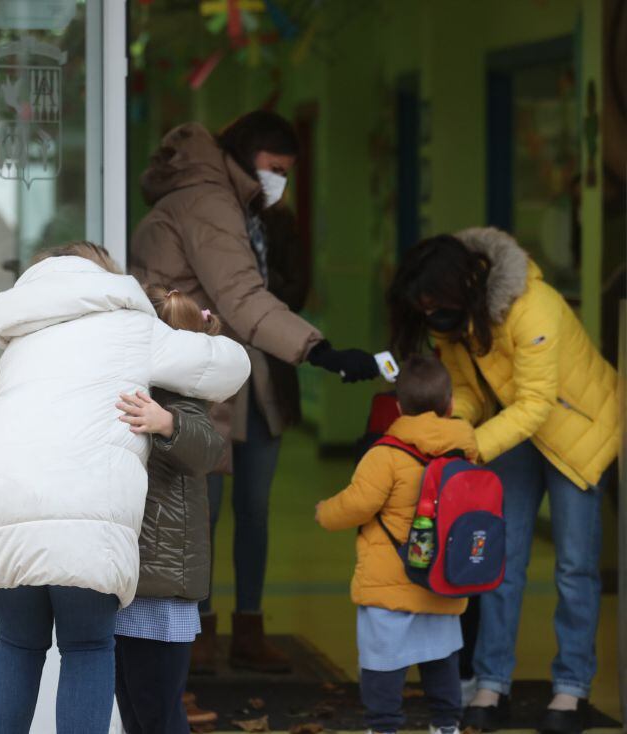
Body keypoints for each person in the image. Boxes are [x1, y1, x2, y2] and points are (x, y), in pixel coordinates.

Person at [0, 242, 250, 734]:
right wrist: (199, 320)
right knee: (87, 647)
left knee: (16, 644)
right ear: (105, 276)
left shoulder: (22, 336)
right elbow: (229, 367)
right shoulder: (129, 324)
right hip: (84, 508)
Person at [131, 109, 380, 672]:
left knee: (252, 512)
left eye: (288, 171)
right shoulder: (207, 202)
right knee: (200, 514)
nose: (280, 181)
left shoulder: (239, 205)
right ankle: (194, 637)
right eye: (274, 167)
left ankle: (242, 630)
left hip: (249, 377)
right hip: (202, 381)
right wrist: (320, 350)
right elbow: (241, 296)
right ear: (245, 157)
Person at [389, 228, 621, 734]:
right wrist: (450, 425)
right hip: (515, 429)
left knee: (576, 568)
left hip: (578, 431)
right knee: (495, 560)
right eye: (423, 309)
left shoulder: (533, 306)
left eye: (435, 305)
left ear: (464, 284)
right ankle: (492, 684)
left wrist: (471, 445)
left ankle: (572, 689)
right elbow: (472, 393)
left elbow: (537, 402)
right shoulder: (453, 318)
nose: (431, 317)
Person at [315, 354, 476, 734]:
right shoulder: (465, 450)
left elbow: (356, 504)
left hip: (390, 583)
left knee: (383, 665)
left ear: (399, 406)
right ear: (450, 405)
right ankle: (446, 724)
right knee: (441, 660)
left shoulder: (385, 455)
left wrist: (324, 512)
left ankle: (384, 726)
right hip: (442, 582)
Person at [112, 287, 228, 733]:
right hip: (137, 580)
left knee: (159, 713)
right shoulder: (142, 388)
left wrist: (168, 423)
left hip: (162, 590)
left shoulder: (185, 399)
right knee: (137, 712)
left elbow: (208, 448)